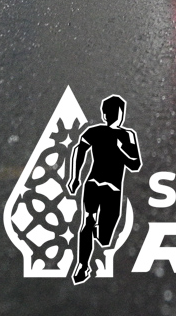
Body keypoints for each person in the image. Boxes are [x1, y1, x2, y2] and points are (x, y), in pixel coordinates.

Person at [70, 94, 141, 285]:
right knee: (88, 220)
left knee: (104, 237)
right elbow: (79, 150)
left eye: (116, 112)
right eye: (110, 112)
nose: (113, 115)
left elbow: (135, 164)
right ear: (104, 114)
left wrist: (120, 151)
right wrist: (75, 177)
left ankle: (96, 236)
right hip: (95, 183)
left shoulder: (127, 135)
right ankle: (82, 265)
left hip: (112, 189)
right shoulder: (95, 132)